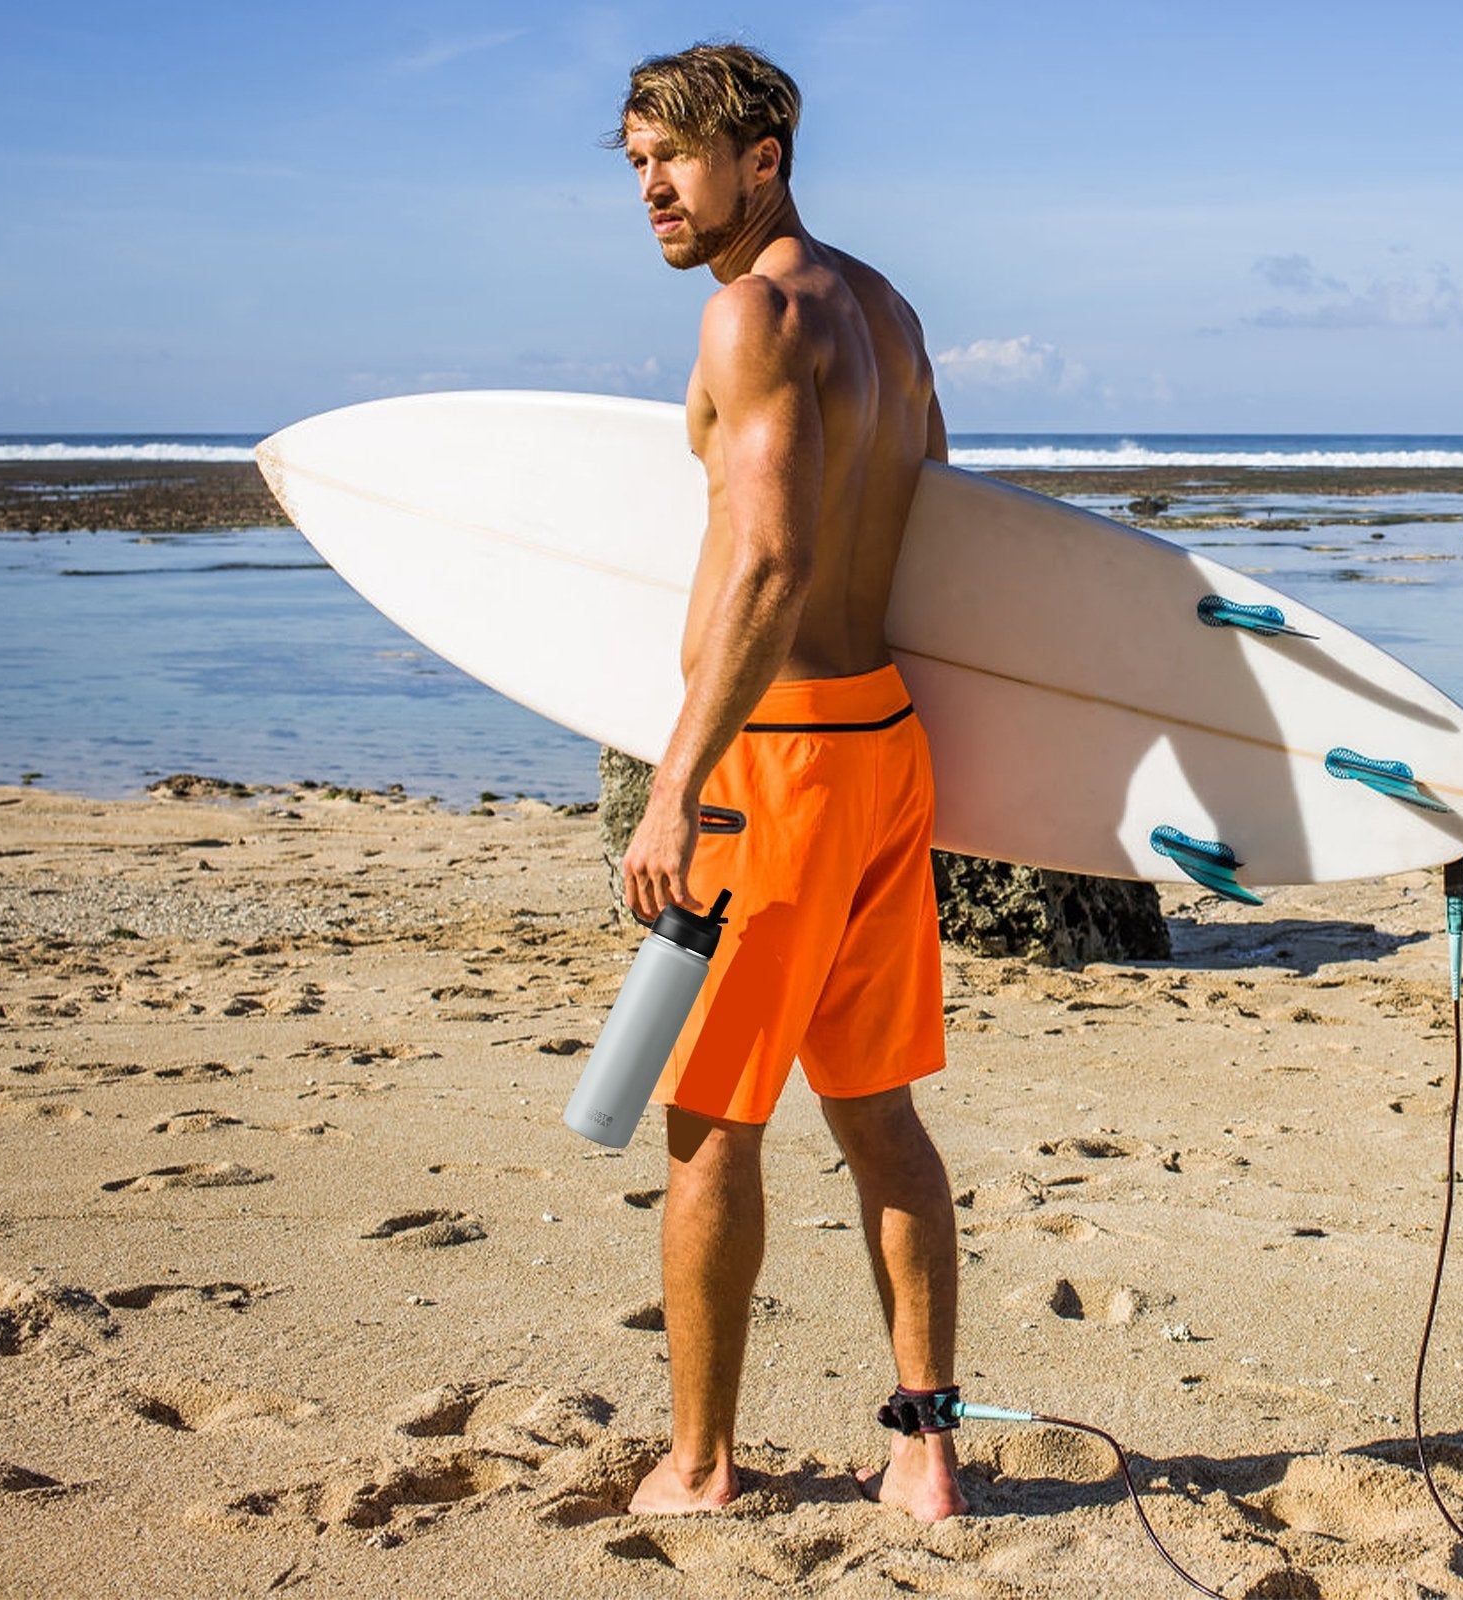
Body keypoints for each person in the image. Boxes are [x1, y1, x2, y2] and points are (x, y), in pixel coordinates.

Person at [611, 44, 966, 1523]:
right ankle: (924, 1450)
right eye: (633, 165)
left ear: (764, 157)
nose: (650, 192)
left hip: (778, 766)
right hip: (884, 745)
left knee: (707, 1120)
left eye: (673, 161)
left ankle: (697, 1469)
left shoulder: (747, 320)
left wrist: (673, 784)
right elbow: (945, 526)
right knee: (877, 1111)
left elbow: (770, 559)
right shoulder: (883, 312)